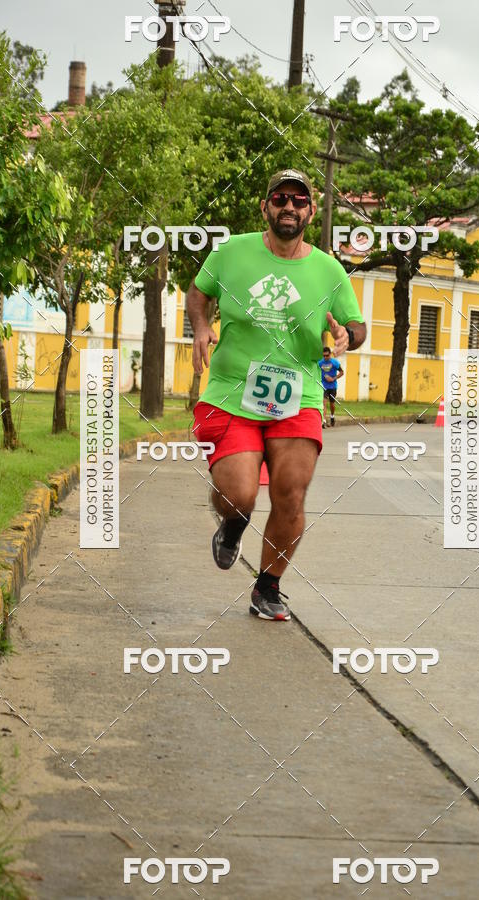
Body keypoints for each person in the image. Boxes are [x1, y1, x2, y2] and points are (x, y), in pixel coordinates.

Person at [187, 168, 366, 621]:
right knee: (240, 496)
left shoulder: (329, 269)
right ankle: (231, 526)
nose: (290, 206)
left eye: (299, 201)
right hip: (232, 393)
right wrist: (202, 327)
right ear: (265, 206)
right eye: (281, 198)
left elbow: (356, 324)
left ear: (311, 211)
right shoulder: (231, 252)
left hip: (297, 395)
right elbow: (198, 291)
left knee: (291, 493)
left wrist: (349, 335)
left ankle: (267, 586)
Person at [318, 346, 343, 427]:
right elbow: (316, 372)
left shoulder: (335, 362)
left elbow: (342, 372)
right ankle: (324, 421)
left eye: (327, 355)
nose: (325, 357)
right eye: (324, 356)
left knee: (332, 404)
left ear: (330, 354)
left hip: (332, 386)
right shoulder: (320, 363)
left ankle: (332, 416)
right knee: (324, 403)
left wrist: (333, 378)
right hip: (324, 386)